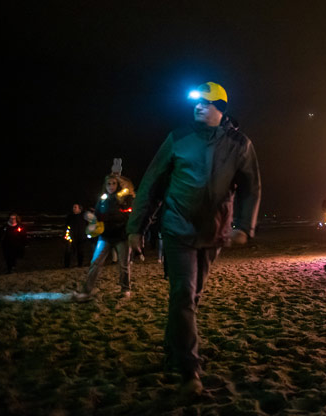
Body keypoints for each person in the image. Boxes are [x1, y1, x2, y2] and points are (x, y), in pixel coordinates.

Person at [126, 82, 261, 396]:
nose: (198, 106)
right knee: (183, 294)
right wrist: (137, 228)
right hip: (176, 229)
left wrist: (245, 228)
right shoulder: (178, 138)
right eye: (196, 102)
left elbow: (251, 187)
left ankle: (173, 349)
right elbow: (151, 184)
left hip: (213, 234)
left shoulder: (239, 144)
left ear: (221, 108)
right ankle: (190, 370)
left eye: (206, 102)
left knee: (192, 298)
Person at [73, 174, 135, 300]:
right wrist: (91, 218)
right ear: (105, 185)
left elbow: (127, 217)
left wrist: (106, 217)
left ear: (118, 185)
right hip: (105, 236)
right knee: (95, 263)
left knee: (124, 265)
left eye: (113, 183)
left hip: (121, 236)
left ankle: (125, 289)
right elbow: (97, 216)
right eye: (108, 183)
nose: (111, 186)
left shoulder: (124, 198)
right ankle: (87, 291)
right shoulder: (102, 199)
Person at [64, 203, 88, 268]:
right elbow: (66, 225)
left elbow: (88, 224)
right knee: (68, 251)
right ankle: (67, 265)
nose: (73, 208)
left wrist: (86, 234)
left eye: (75, 207)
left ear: (79, 209)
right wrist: (66, 234)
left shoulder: (84, 216)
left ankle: (80, 264)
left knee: (80, 251)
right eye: (73, 207)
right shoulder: (70, 216)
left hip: (81, 237)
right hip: (71, 237)